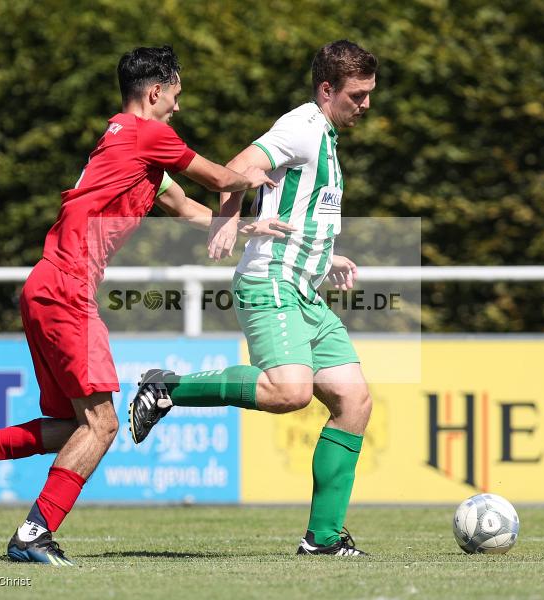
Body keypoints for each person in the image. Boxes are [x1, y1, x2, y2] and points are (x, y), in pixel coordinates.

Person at [0, 45, 276, 566]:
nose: (178, 109)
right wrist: (247, 179)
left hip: (45, 285)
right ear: (155, 92)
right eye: (176, 97)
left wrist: (241, 226)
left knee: (76, 425)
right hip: (68, 288)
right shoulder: (148, 135)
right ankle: (33, 534)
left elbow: (185, 204)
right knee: (102, 426)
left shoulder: (121, 143)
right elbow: (218, 177)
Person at [128, 40, 377, 557]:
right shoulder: (302, 127)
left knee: (353, 399)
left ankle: (324, 539)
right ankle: (165, 387)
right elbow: (240, 165)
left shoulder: (324, 136)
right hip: (271, 282)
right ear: (327, 89)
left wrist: (325, 255)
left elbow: (300, 208)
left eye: (369, 94)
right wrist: (226, 221)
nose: (366, 105)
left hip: (305, 286)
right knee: (291, 392)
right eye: (357, 95)